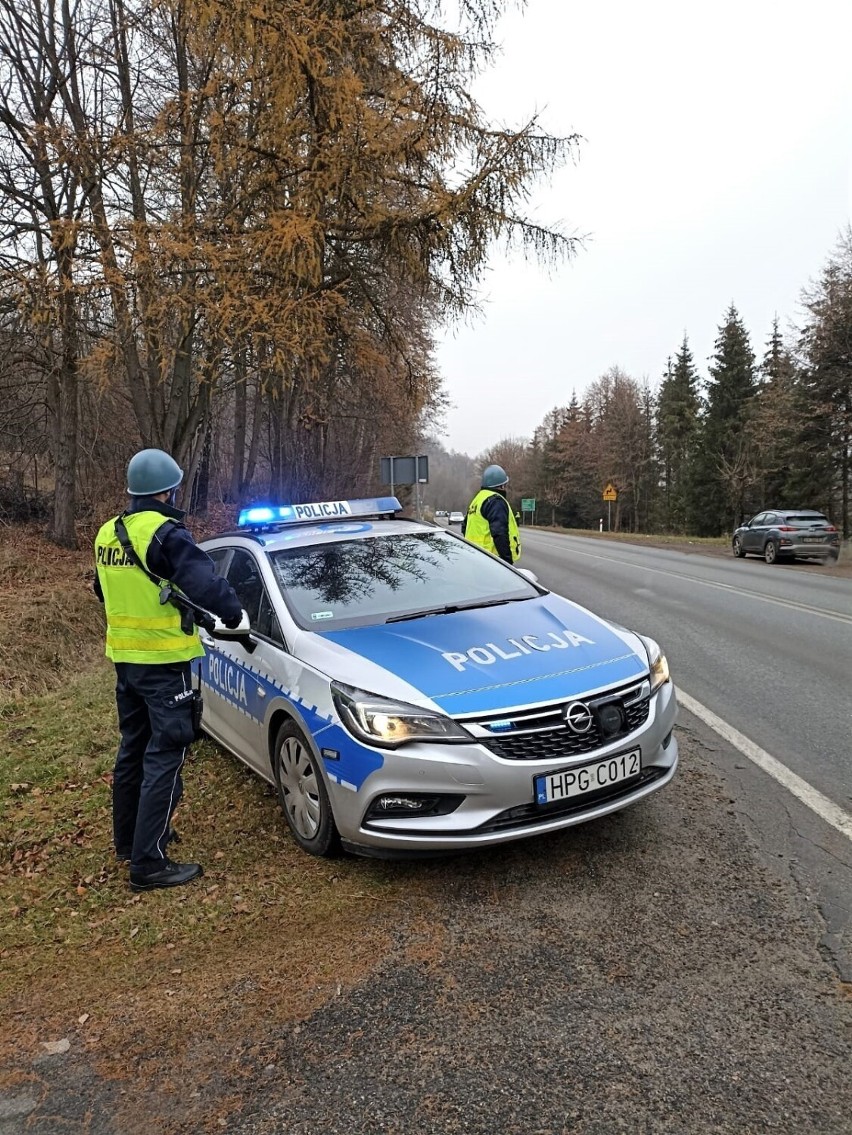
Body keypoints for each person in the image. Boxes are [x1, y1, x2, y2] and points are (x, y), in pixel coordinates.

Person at [94, 448, 245, 892]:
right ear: (169, 489)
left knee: (133, 751)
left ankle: (129, 841)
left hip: (125, 663)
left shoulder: (108, 533)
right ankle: (148, 862)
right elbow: (205, 582)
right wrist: (234, 612)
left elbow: (101, 591)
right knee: (167, 756)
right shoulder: (164, 532)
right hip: (164, 664)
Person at [462, 464, 521, 564]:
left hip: (474, 557)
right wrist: (507, 562)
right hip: (492, 559)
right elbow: (499, 533)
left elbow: (464, 527)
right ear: (502, 485)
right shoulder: (495, 501)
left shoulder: (477, 500)